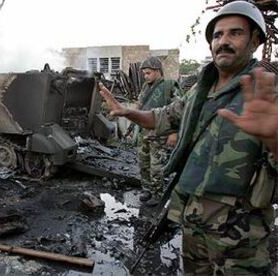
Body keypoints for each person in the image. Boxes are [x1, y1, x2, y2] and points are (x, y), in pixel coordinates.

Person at [98, 1, 277, 275]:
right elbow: (163, 116)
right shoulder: (199, 90)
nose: (224, 41)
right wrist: (127, 112)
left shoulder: (268, 91)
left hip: (240, 231)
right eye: (218, 35)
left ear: (255, 40)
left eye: (235, 33)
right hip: (193, 219)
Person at [134, 57, 181, 201]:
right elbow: (139, 106)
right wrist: (136, 129)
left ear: (157, 71)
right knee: (143, 163)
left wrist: (174, 132)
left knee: (156, 166)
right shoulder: (145, 87)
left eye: (148, 73)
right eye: (144, 74)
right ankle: (146, 189)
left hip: (160, 133)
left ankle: (157, 194)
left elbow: (179, 111)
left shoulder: (169, 85)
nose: (146, 76)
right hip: (144, 132)